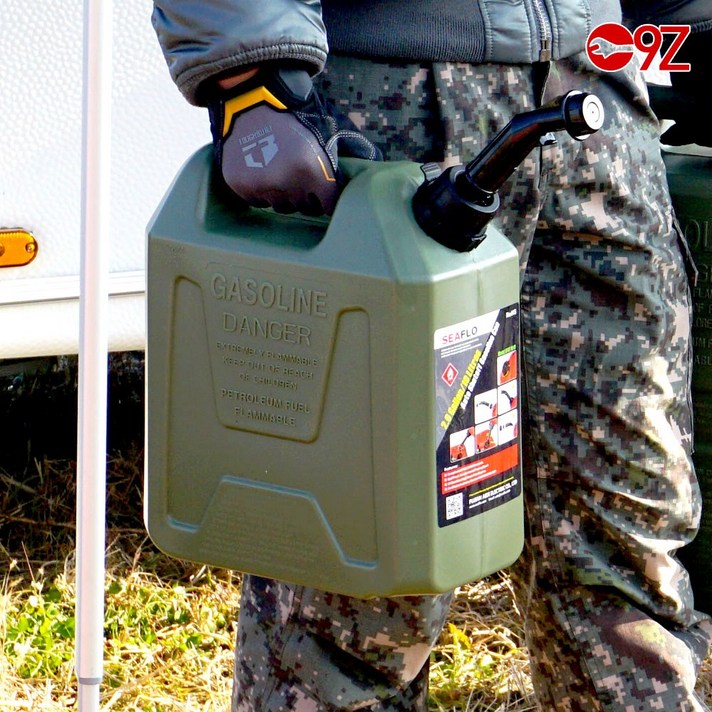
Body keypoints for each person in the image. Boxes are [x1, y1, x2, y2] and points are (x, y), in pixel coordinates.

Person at [151, 1, 712, 708]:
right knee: (358, 585)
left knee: (630, 543)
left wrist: (693, 14)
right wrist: (251, 75)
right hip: (389, 115)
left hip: (596, 103)